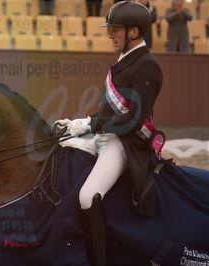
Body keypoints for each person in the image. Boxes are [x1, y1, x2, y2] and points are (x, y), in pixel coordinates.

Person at [56, 2, 164, 265]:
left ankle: (101, 259)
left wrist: (92, 127)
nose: (110, 35)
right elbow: (108, 110)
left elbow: (133, 119)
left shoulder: (147, 65)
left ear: (134, 32)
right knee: (64, 149)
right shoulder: (123, 62)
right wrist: (78, 125)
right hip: (107, 136)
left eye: (115, 30)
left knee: (87, 196)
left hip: (124, 145)